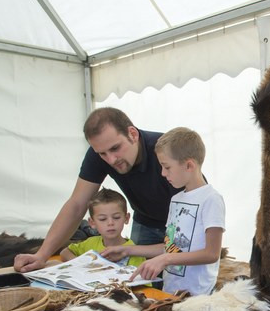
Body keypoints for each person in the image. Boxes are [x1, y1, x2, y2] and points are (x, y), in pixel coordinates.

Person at [14, 107, 183, 272]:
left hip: (183, 223)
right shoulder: (98, 154)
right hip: (145, 221)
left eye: (115, 148)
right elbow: (77, 204)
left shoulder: (167, 150)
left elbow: (194, 218)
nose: (111, 159)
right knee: (142, 284)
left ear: (133, 134)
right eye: (102, 153)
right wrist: (42, 255)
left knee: (182, 282)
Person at [101, 127, 225, 296]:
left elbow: (212, 254)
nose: (162, 173)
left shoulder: (211, 199)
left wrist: (166, 259)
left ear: (189, 165)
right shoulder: (176, 199)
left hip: (197, 295)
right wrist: (126, 250)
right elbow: (170, 247)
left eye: (167, 167)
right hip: (170, 292)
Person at [59, 188, 145, 267]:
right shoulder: (90, 242)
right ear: (92, 223)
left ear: (126, 219)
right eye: (102, 219)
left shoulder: (135, 251)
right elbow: (65, 252)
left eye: (116, 217)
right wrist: (80, 264)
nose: (110, 223)